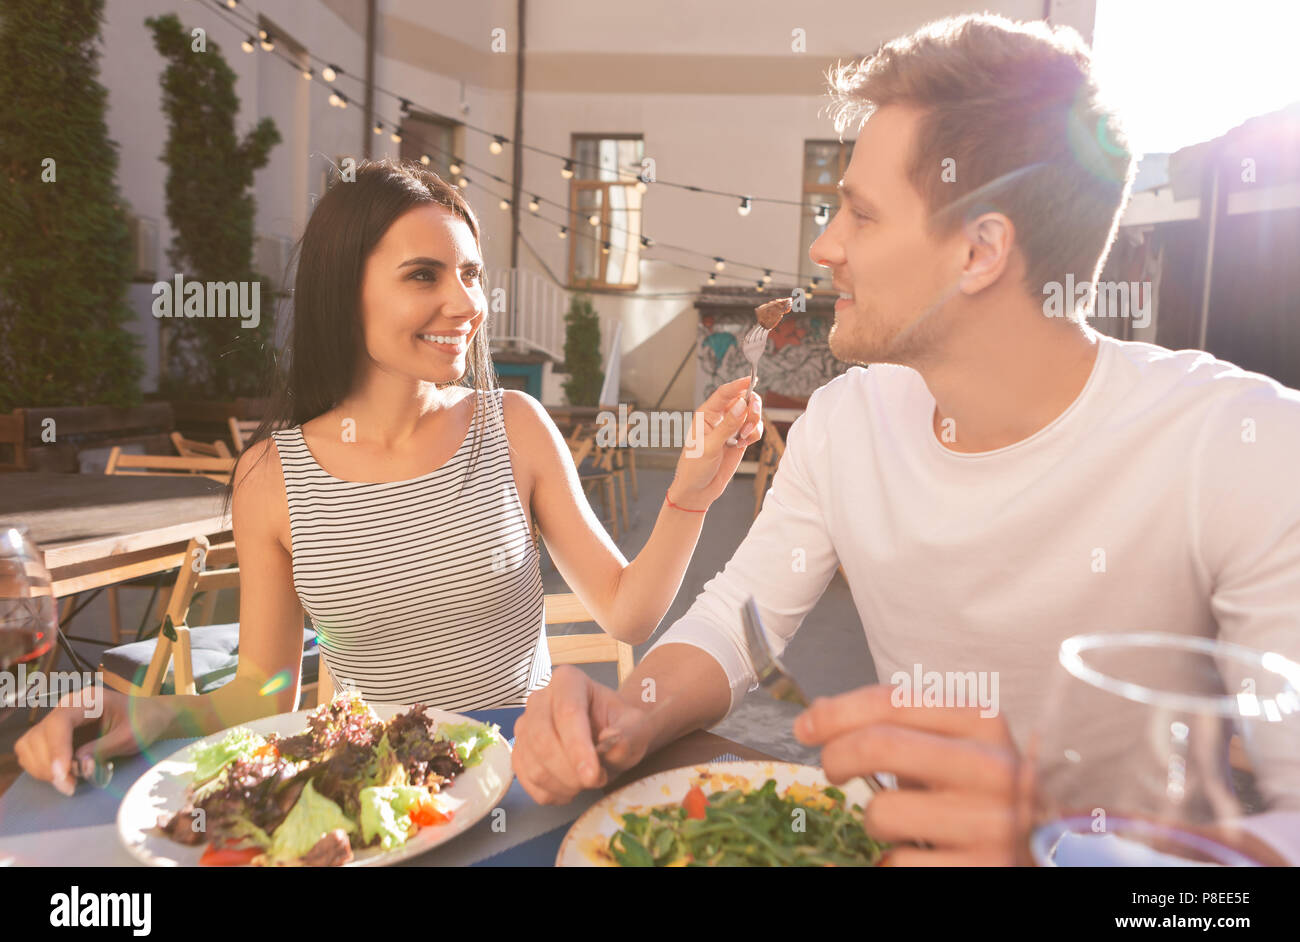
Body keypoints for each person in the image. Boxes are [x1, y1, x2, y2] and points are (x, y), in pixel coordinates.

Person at [510, 14, 1300, 864]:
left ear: (979, 252)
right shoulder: (847, 421)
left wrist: (1061, 853)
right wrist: (634, 709)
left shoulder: (1242, 445)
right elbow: (740, 623)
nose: (825, 246)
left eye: (859, 214)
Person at [16, 158, 765, 794]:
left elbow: (627, 614)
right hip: (383, 808)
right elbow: (260, 696)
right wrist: (139, 715)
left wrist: (689, 494)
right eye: (423, 275)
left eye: (470, 274)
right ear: (345, 291)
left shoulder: (514, 426)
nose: (464, 302)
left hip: (528, 779)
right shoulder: (271, 478)